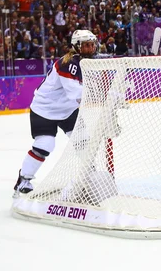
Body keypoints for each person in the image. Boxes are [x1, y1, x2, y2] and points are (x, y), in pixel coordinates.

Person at [13, 30, 98, 197]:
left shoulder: (86, 62)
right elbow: (76, 95)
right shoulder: (69, 64)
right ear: (77, 46)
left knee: (83, 140)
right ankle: (23, 179)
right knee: (45, 144)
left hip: (67, 110)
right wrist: (104, 96)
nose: (91, 48)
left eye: (92, 44)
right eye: (86, 45)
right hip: (45, 109)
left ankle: (90, 175)